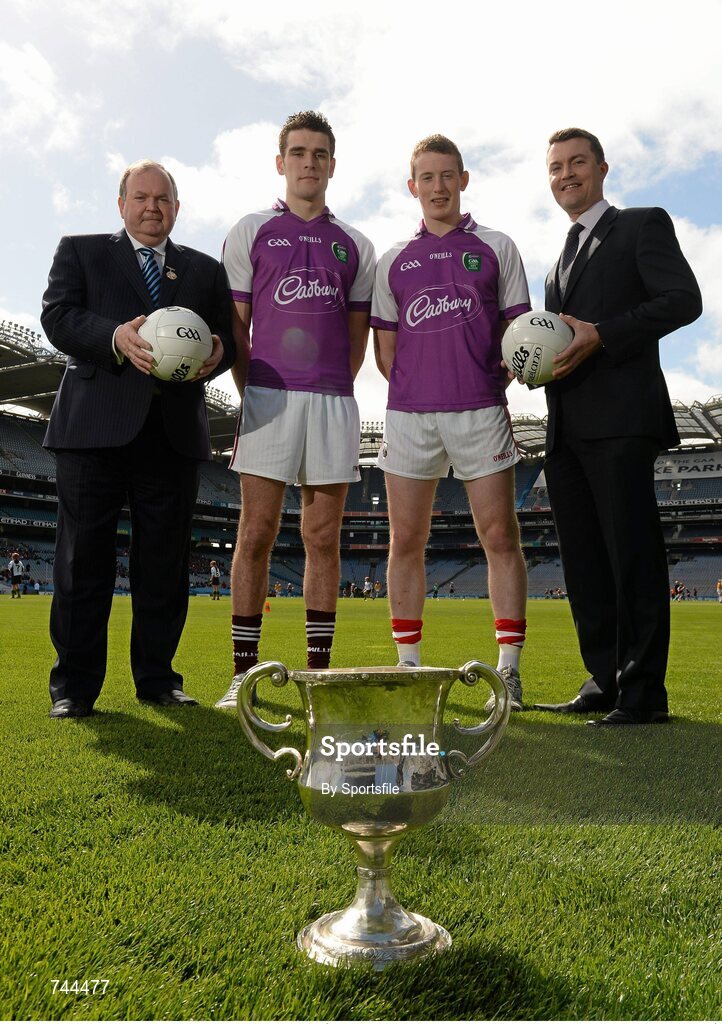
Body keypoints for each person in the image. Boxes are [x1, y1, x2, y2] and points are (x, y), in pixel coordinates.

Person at [41, 159, 234, 719]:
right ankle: (74, 688)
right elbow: (57, 317)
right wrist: (114, 336)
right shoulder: (80, 251)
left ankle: (157, 679)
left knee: (165, 568)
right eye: (142, 198)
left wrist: (219, 352)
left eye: (164, 199)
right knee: (82, 563)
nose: (153, 208)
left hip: (170, 435)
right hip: (93, 431)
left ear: (177, 207)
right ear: (121, 204)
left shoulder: (203, 270)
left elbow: (225, 340)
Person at [532, 128, 702, 727]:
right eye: (556, 167)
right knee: (583, 562)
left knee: (631, 555)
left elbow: (684, 300)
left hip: (621, 421)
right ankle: (605, 677)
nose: (566, 174)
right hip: (565, 431)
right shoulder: (556, 263)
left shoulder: (640, 225)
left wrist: (603, 333)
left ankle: (644, 694)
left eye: (577, 163)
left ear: (602, 169)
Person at [215, 111, 375, 709]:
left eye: (320, 154)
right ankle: (243, 673)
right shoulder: (250, 230)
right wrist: (254, 384)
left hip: (333, 401)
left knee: (322, 537)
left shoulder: (356, 245)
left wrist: (332, 384)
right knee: (255, 533)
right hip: (268, 398)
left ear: (333, 165)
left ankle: (316, 674)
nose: (310, 162)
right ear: (280, 162)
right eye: (299, 152)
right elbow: (237, 326)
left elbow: (357, 337)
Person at [372, 134, 530, 710]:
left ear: (464, 180)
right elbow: (385, 354)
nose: (437, 187)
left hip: (480, 411)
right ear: (411, 186)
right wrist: (423, 388)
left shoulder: (496, 247)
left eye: (447, 176)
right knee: (405, 540)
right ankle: (409, 665)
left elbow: (521, 340)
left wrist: (480, 386)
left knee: (499, 537)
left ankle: (507, 671)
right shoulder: (392, 260)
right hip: (410, 418)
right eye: (426, 178)